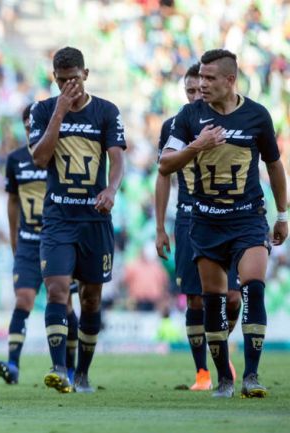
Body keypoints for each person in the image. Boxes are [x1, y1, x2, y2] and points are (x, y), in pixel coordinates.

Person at [159, 49, 287, 398]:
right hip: (205, 222)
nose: (202, 84)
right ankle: (223, 379)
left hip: (247, 218)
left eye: (210, 78)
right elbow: (165, 165)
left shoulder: (257, 115)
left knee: (253, 286)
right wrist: (197, 146)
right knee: (214, 301)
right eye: (200, 77)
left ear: (230, 80)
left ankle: (252, 376)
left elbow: (275, 166)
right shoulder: (189, 116)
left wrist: (282, 214)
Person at [29, 47, 126, 394]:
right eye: (62, 79)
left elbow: (116, 159)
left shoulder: (106, 111)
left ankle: (82, 373)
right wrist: (59, 112)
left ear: (86, 73)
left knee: (91, 299)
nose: (70, 84)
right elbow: (40, 159)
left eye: (75, 77)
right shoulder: (42, 110)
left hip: (94, 219)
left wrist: (112, 189)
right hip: (58, 218)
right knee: (56, 288)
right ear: (54, 78)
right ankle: (59, 369)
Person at [154, 63, 240, 391]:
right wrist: (160, 226)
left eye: (198, 89)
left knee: (232, 298)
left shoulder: (227, 122)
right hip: (188, 218)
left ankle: (219, 346)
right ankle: (203, 374)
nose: (194, 95)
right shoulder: (174, 126)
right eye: (188, 90)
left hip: (225, 216)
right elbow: (163, 177)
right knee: (195, 300)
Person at [0, 104, 80, 386]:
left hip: (57, 240)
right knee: (24, 300)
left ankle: (69, 368)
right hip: (29, 243)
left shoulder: (60, 155)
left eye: (36, 126)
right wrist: (13, 238)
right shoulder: (15, 159)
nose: (32, 131)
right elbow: (12, 200)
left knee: (65, 303)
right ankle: (13, 365)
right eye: (28, 127)